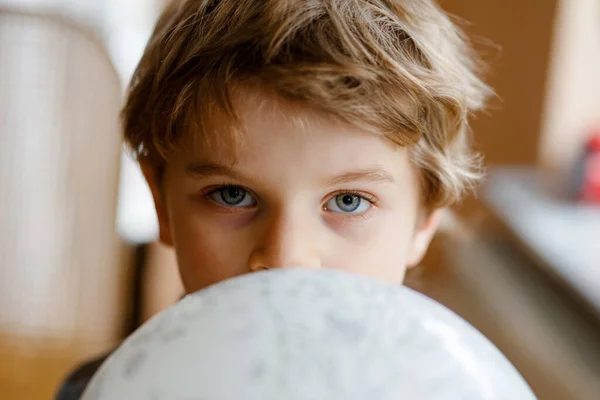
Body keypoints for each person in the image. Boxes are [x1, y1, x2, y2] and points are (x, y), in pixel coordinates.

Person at [56, 0, 491, 397]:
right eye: (232, 195)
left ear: (423, 219)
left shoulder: (453, 386)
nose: (286, 258)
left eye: (348, 202)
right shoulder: (111, 390)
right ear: (161, 204)